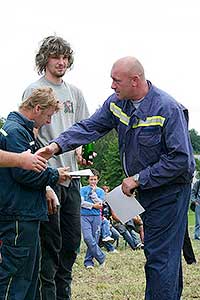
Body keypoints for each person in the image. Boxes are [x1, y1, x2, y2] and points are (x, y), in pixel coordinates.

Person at [37, 56, 195, 300]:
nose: (112, 85)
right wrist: (56, 146)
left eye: (116, 80)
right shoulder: (118, 104)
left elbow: (181, 160)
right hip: (147, 189)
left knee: (159, 256)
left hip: (171, 192)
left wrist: (139, 178)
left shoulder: (167, 108)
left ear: (135, 80)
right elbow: (90, 127)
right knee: (163, 255)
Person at [22, 35, 89, 300]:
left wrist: (83, 153)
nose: (61, 62)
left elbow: (83, 131)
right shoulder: (34, 90)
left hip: (73, 178)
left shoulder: (76, 93)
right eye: (55, 57)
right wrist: (45, 180)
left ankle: (64, 293)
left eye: (65, 57)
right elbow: (29, 133)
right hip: (47, 178)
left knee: (72, 243)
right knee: (49, 245)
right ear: (45, 59)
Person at [0, 87, 70, 300]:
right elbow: (26, 173)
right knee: (15, 278)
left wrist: (46, 186)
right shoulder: (16, 132)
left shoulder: (21, 130)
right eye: (48, 115)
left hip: (25, 213)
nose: (49, 122)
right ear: (37, 108)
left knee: (29, 278)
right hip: (18, 216)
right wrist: (53, 176)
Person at [80, 169, 106, 268]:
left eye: (95, 179)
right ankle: (101, 257)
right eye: (91, 179)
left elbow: (100, 204)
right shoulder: (82, 190)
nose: (93, 182)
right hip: (84, 216)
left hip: (96, 217)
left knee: (94, 239)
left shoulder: (100, 191)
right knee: (87, 238)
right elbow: (81, 203)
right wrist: (93, 205)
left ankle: (88, 262)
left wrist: (93, 194)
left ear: (98, 180)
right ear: (88, 180)